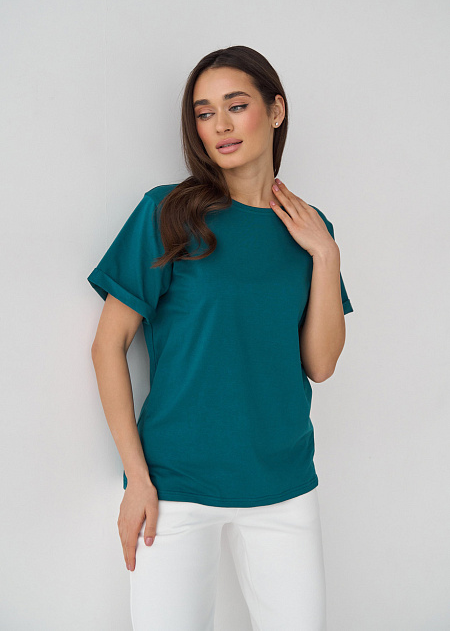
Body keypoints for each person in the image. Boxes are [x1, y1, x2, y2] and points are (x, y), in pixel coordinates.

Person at [88, 45, 353, 631]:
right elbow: (108, 346)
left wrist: (326, 255)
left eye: (236, 106)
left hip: (283, 484)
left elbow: (320, 363)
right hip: (175, 487)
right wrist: (137, 479)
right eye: (205, 113)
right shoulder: (168, 213)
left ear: (275, 110)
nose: (221, 125)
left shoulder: (311, 229)